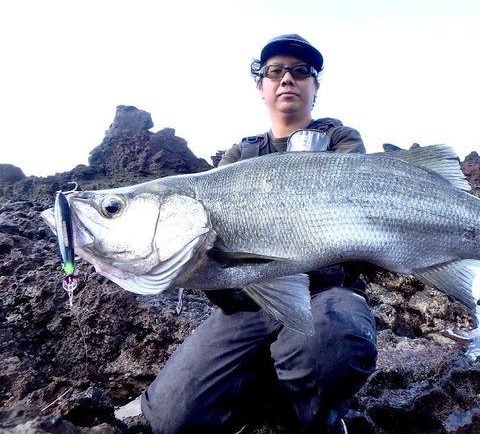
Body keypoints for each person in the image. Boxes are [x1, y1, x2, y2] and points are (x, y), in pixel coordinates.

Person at [141, 34, 378, 434]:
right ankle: (263, 389)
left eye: (300, 71)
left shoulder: (341, 140)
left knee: (333, 348)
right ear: (261, 85)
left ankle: (316, 418)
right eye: (275, 71)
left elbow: (352, 203)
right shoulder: (238, 156)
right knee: (170, 418)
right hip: (250, 301)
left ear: (315, 86)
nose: (287, 78)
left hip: (325, 293)